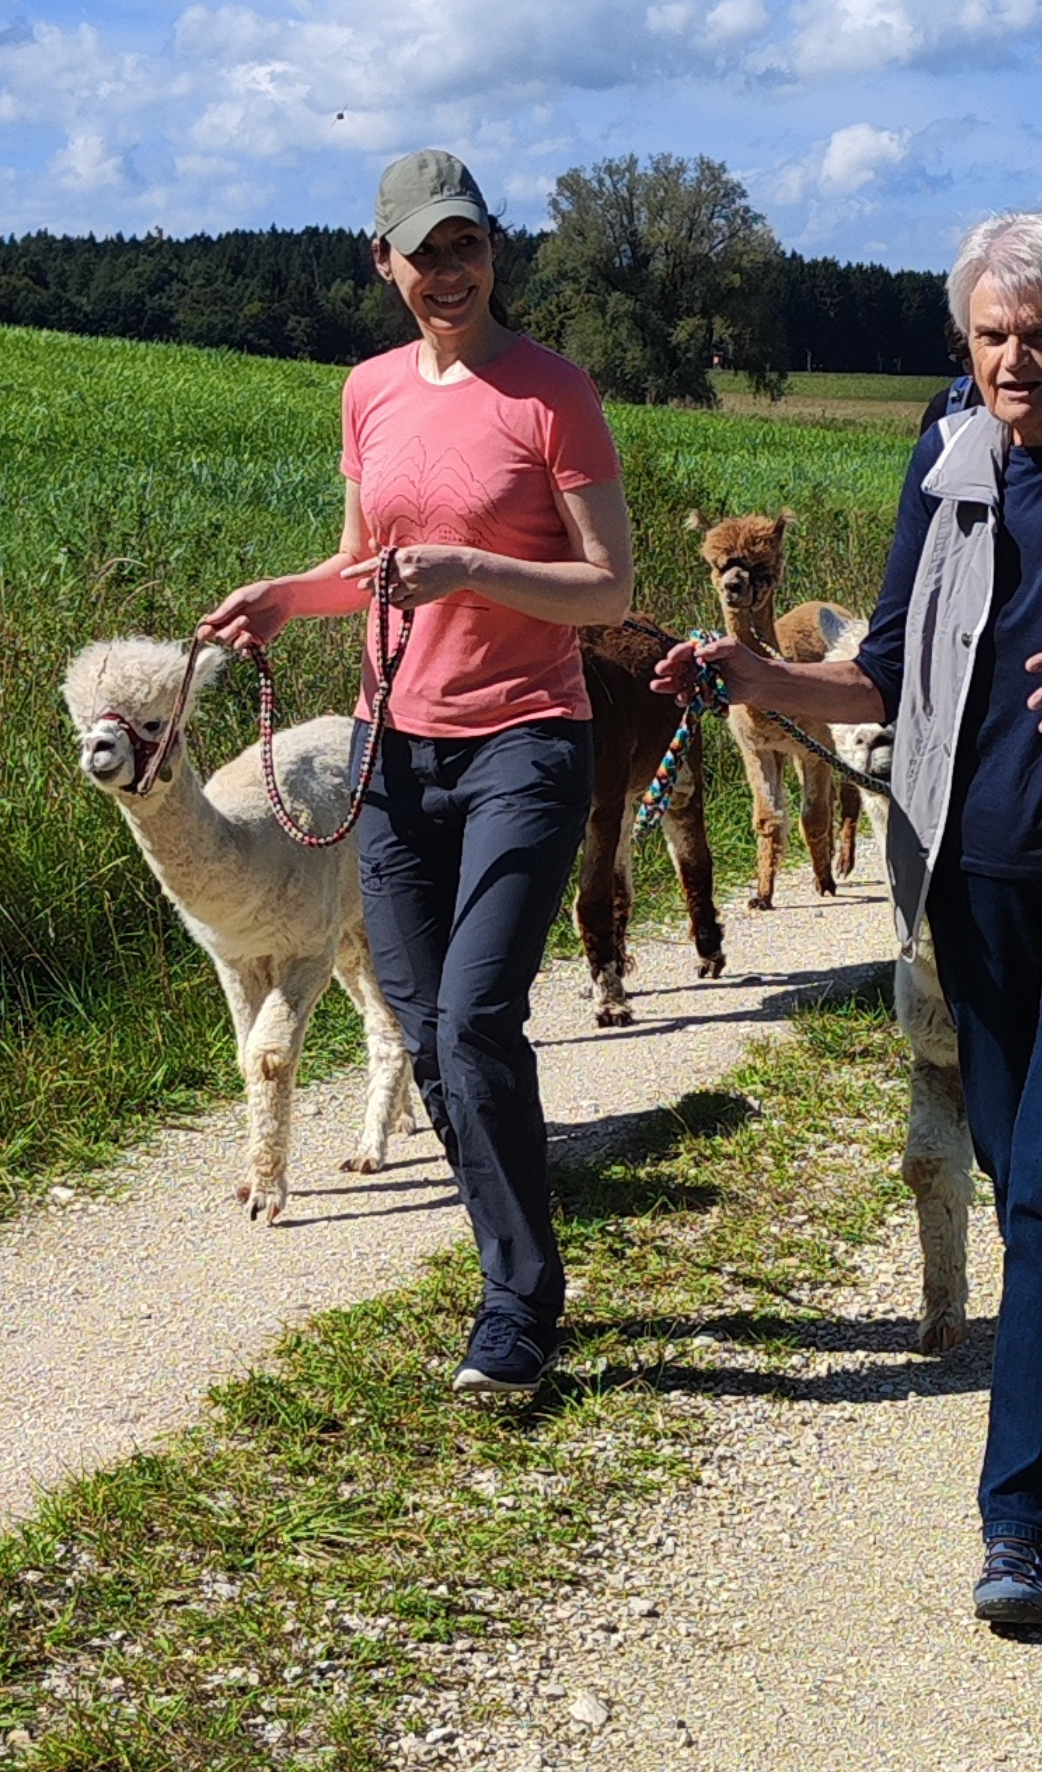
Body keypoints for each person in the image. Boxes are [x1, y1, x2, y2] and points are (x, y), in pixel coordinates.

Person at [653, 210, 1042, 1624]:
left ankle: (1018, 1526)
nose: (1010, 360)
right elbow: (879, 684)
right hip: (964, 884)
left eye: (1037, 336)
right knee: (1012, 1168)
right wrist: (746, 676)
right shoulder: (943, 467)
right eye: (987, 336)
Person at [199, 149, 634, 1396]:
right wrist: (287, 599)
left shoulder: (551, 392)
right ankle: (523, 1253)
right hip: (394, 745)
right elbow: (363, 560)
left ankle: (515, 1303)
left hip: (526, 739)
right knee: (424, 1030)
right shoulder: (369, 391)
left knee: (475, 1014)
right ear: (382, 262)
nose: (447, 272)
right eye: (421, 252)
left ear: (492, 251)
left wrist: (470, 569)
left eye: (466, 246)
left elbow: (609, 588)